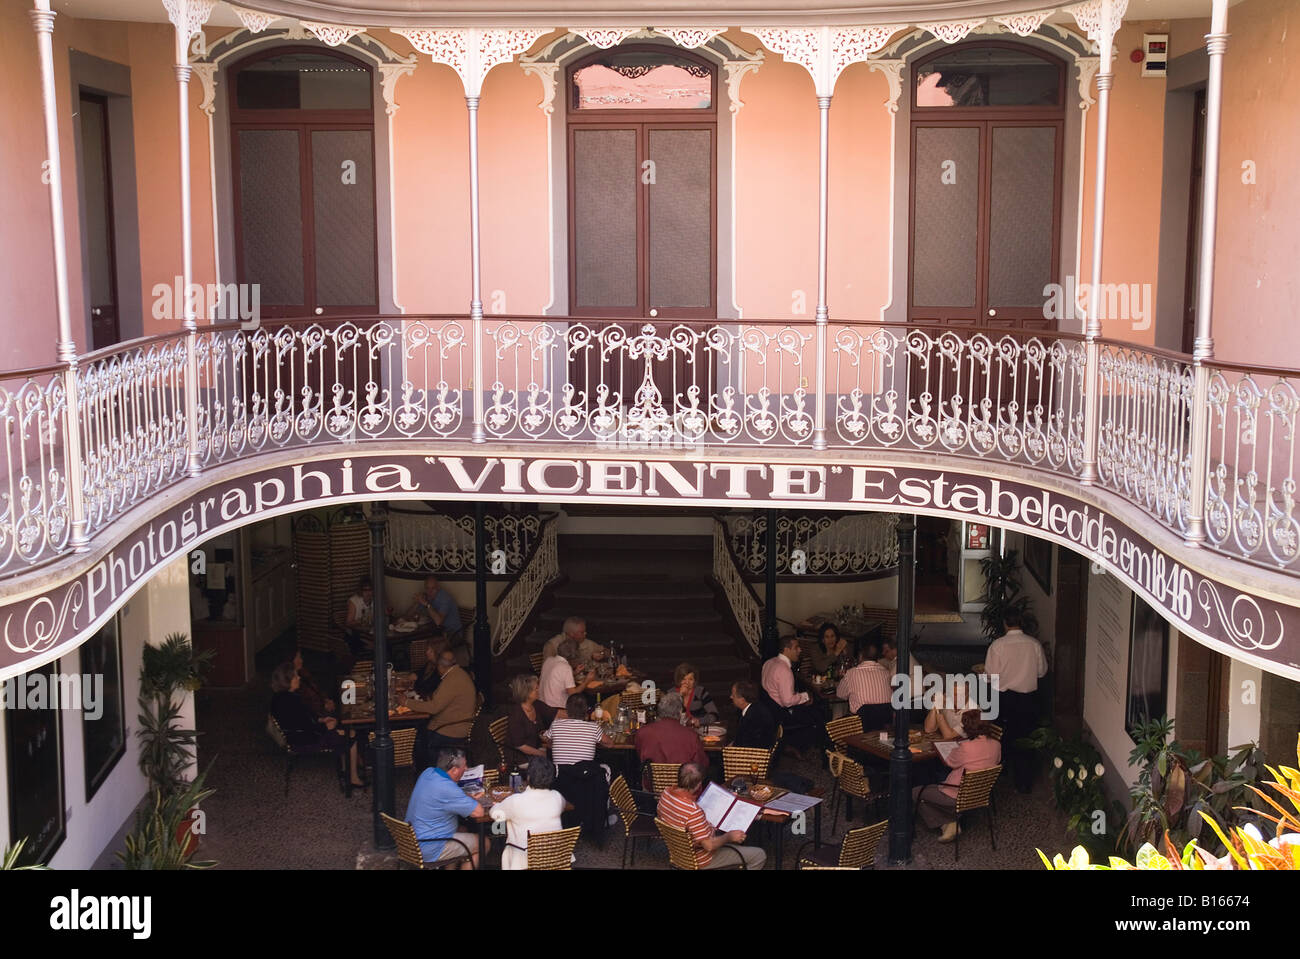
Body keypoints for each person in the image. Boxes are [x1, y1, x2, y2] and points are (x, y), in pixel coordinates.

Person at [912, 710, 1002, 843]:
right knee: (930, 788)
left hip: (957, 795)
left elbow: (950, 762)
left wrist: (956, 748)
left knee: (915, 793)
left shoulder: (966, 747)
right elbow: (996, 760)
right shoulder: (996, 744)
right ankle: (950, 823)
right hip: (981, 793)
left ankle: (947, 821)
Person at [984, 606, 1048, 793]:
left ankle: (1002, 773)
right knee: (1026, 739)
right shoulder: (1034, 644)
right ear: (1021, 622)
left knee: (1003, 735)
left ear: (1005, 623)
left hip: (1005, 699)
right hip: (1029, 699)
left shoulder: (998, 646)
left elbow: (991, 675)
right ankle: (1024, 781)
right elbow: (1042, 671)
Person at [269, 662, 363, 788]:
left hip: (298, 737)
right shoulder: (291, 701)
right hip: (305, 741)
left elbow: (301, 721)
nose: (299, 678)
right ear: (288, 681)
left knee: (343, 730)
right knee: (350, 735)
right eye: (295, 676)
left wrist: (321, 720)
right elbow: (304, 728)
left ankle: (347, 770)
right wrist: (326, 727)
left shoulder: (280, 698)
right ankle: (353, 778)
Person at [657, 762, 766, 870]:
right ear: (699, 784)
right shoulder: (693, 811)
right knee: (759, 855)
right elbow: (709, 846)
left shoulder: (665, 793)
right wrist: (729, 837)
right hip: (701, 859)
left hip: (678, 853)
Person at [404, 747, 483, 869]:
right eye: (465, 765)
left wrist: (466, 797)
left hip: (411, 842)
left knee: (463, 829)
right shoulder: (447, 788)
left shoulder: (428, 772)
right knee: (483, 843)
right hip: (430, 847)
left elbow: (446, 798)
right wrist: (472, 799)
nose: (466, 769)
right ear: (455, 770)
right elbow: (479, 812)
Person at [549, 693, 613, 842]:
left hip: (561, 782)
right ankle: (601, 815)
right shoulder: (593, 728)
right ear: (586, 711)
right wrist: (594, 741)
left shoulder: (556, 724)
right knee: (606, 769)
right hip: (586, 781)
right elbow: (610, 743)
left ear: (567, 710)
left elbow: (547, 739)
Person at [490, 755, 568, 870]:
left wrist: (497, 805)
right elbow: (561, 806)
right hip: (554, 857)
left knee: (498, 828)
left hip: (524, 858)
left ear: (529, 777)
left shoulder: (516, 801)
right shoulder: (557, 797)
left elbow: (495, 814)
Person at [408, 650, 478, 771]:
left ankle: (426, 772)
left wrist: (407, 702)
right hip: (458, 723)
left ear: (441, 666)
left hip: (451, 729)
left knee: (420, 736)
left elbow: (434, 708)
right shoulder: (457, 673)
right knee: (422, 731)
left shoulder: (452, 680)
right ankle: (423, 769)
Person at [761, 635, 824, 750]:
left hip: (769, 708)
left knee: (813, 706)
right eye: (796, 647)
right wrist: (805, 696)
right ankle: (815, 746)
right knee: (819, 712)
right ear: (786, 649)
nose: (800, 650)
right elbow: (788, 701)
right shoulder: (784, 670)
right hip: (781, 713)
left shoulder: (769, 662)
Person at [634, 690, 709, 781]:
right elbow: (702, 765)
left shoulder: (642, 732)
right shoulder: (691, 736)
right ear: (680, 712)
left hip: (652, 787)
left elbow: (639, 756)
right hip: (684, 788)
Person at [504, 673, 559, 769]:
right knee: (554, 763)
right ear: (527, 693)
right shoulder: (516, 714)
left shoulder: (536, 705)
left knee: (559, 754)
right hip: (520, 758)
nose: (538, 690)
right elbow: (520, 746)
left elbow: (556, 714)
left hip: (535, 748)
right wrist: (542, 754)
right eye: (536, 689)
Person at [837, 643, 893, 731]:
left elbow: (840, 694)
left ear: (860, 656)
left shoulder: (852, 673)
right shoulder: (886, 672)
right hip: (885, 723)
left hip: (861, 724)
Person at [538, 637, 602, 710]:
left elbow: (559, 678)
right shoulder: (565, 667)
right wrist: (587, 681)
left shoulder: (549, 660)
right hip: (556, 709)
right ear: (573, 655)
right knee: (586, 703)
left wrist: (575, 672)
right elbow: (573, 694)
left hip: (542, 705)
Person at [541, 616, 607, 666]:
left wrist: (602, 654)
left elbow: (608, 652)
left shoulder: (585, 642)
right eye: (582, 632)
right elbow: (547, 669)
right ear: (571, 634)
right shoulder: (552, 645)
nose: (585, 633)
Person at [729, 681, 777, 749]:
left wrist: (730, 748)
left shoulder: (753, 717)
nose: (730, 697)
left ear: (742, 700)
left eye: (733, 695)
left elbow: (747, 745)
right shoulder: (756, 707)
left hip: (754, 756)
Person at [292, 646, 334, 716]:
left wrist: (326, 700)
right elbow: (307, 707)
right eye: (298, 658)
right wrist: (324, 707)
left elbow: (316, 688)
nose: (301, 661)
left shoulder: (303, 672)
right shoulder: (293, 684)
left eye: (300, 657)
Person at [674, 662, 719, 727]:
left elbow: (714, 714)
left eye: (690, 679)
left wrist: (700, 721)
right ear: (678, 680)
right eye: (683, 679)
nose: (687, 682)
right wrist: (680, 696)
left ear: (695, 681)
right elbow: (668, 717)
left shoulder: (700, 692)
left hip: (697, 730)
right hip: (677, 730)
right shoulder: (671, 693)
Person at [343, 575, 374, 658]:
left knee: (384, 643)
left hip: (369, 633)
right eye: (365, 590)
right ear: (361, 591)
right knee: (376, 646)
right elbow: (348, 623)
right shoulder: (354, 601)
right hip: (354, 635)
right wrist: (361, 620)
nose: (368, 593)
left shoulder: (375, 600)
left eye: (370, 590)